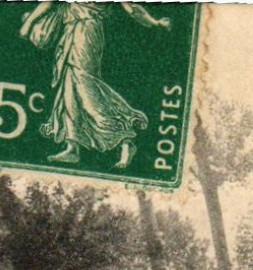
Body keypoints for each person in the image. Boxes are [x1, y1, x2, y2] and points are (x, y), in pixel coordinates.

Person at [21, 1, 172, 169]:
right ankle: (72, 147)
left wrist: (155, 22)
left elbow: (131, 8)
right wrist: (29, 23)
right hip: (70, 30)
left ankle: (124, 139)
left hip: (87, 32)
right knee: (70, 86)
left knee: (85, 87)